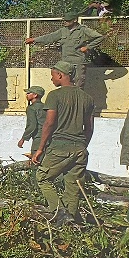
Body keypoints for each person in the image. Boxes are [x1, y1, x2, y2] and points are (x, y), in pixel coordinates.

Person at [32, 61, 96, 225]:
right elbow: (89, 128)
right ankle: (70, 223)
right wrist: (82, 146)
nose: (52, 79)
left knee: (42, 177)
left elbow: (49, 123)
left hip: (60, 147)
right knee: (73, 186)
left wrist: (40, 149)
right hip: (80, 149)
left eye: (52, 75)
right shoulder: (87, 98)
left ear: (60, 75)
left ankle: (59, 211)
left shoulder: (55, 95)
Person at [25, 11, 103, 88]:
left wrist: (87, 47)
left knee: (78, 85)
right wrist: (34, 40)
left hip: (78, 62)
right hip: (65, 64)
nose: (65, 22)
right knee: (65, 85)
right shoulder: (63, 31)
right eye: (64, 20)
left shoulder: (83, 30)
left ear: (75, 20)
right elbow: (50, 37)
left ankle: (77, 100)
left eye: (68, 20)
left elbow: (100, 37)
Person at [19, 85, 47, 185]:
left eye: (29, 93)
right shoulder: (46, 107)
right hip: (49, 138)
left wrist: (23, 139)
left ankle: (36, 187)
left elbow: (32, 125)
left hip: (38, 139)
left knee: (36, 163)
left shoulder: (31, 108)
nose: (26, 95)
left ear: (35, 95)